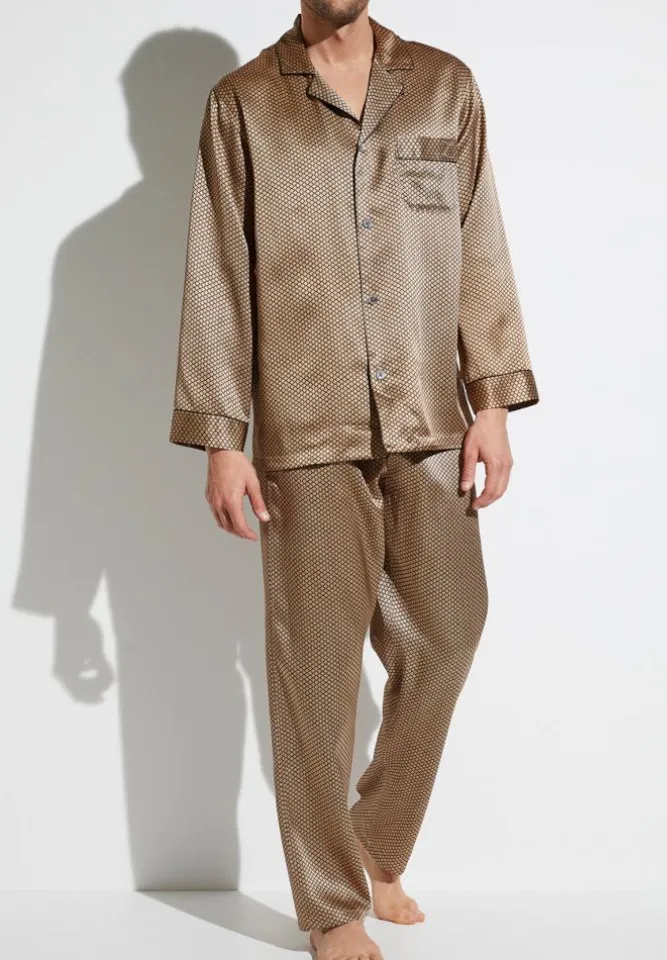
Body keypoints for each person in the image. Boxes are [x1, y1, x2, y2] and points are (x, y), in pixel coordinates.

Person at [169, 3, 539, 958]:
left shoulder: (445, 87)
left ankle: (374, 844)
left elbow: (479, 244)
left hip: (429, 416)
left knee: (449, 629)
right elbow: (219, 272)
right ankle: (332, 906)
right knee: (316, 675)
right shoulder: (242, 104)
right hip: (305, 424)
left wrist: (493, 399)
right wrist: (222, 437)